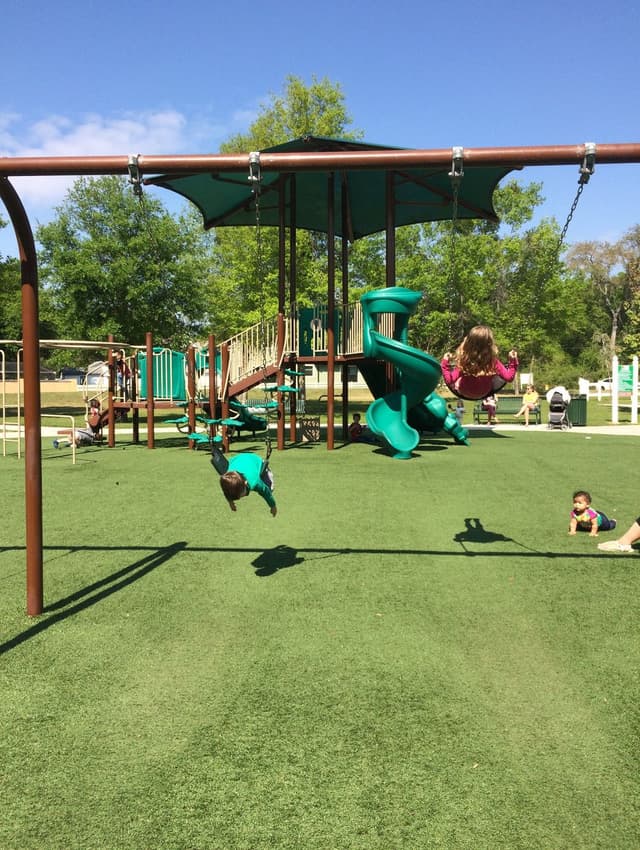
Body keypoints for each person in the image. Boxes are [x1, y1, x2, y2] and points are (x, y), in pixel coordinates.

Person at [441, 325, 518, 401]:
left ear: (468, 342)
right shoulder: (492, 362)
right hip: (484, 392)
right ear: (489, 344)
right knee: (496, 376)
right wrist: (512, 360)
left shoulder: (465, 361)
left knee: (455, 379)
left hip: (463, 391)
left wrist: (445, 362)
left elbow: (449, 380)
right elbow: (509, 377)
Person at [211, 444, 277, 517]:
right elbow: (226, 491)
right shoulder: (227, 478)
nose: (242, 497)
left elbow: (266, 493)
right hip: (237, 459)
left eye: (242, 494)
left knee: (270, 487)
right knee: (228, 483)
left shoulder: (255, 482)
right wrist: (230, 502)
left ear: (246, 483)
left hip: (255, 460)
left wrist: (273, 506)